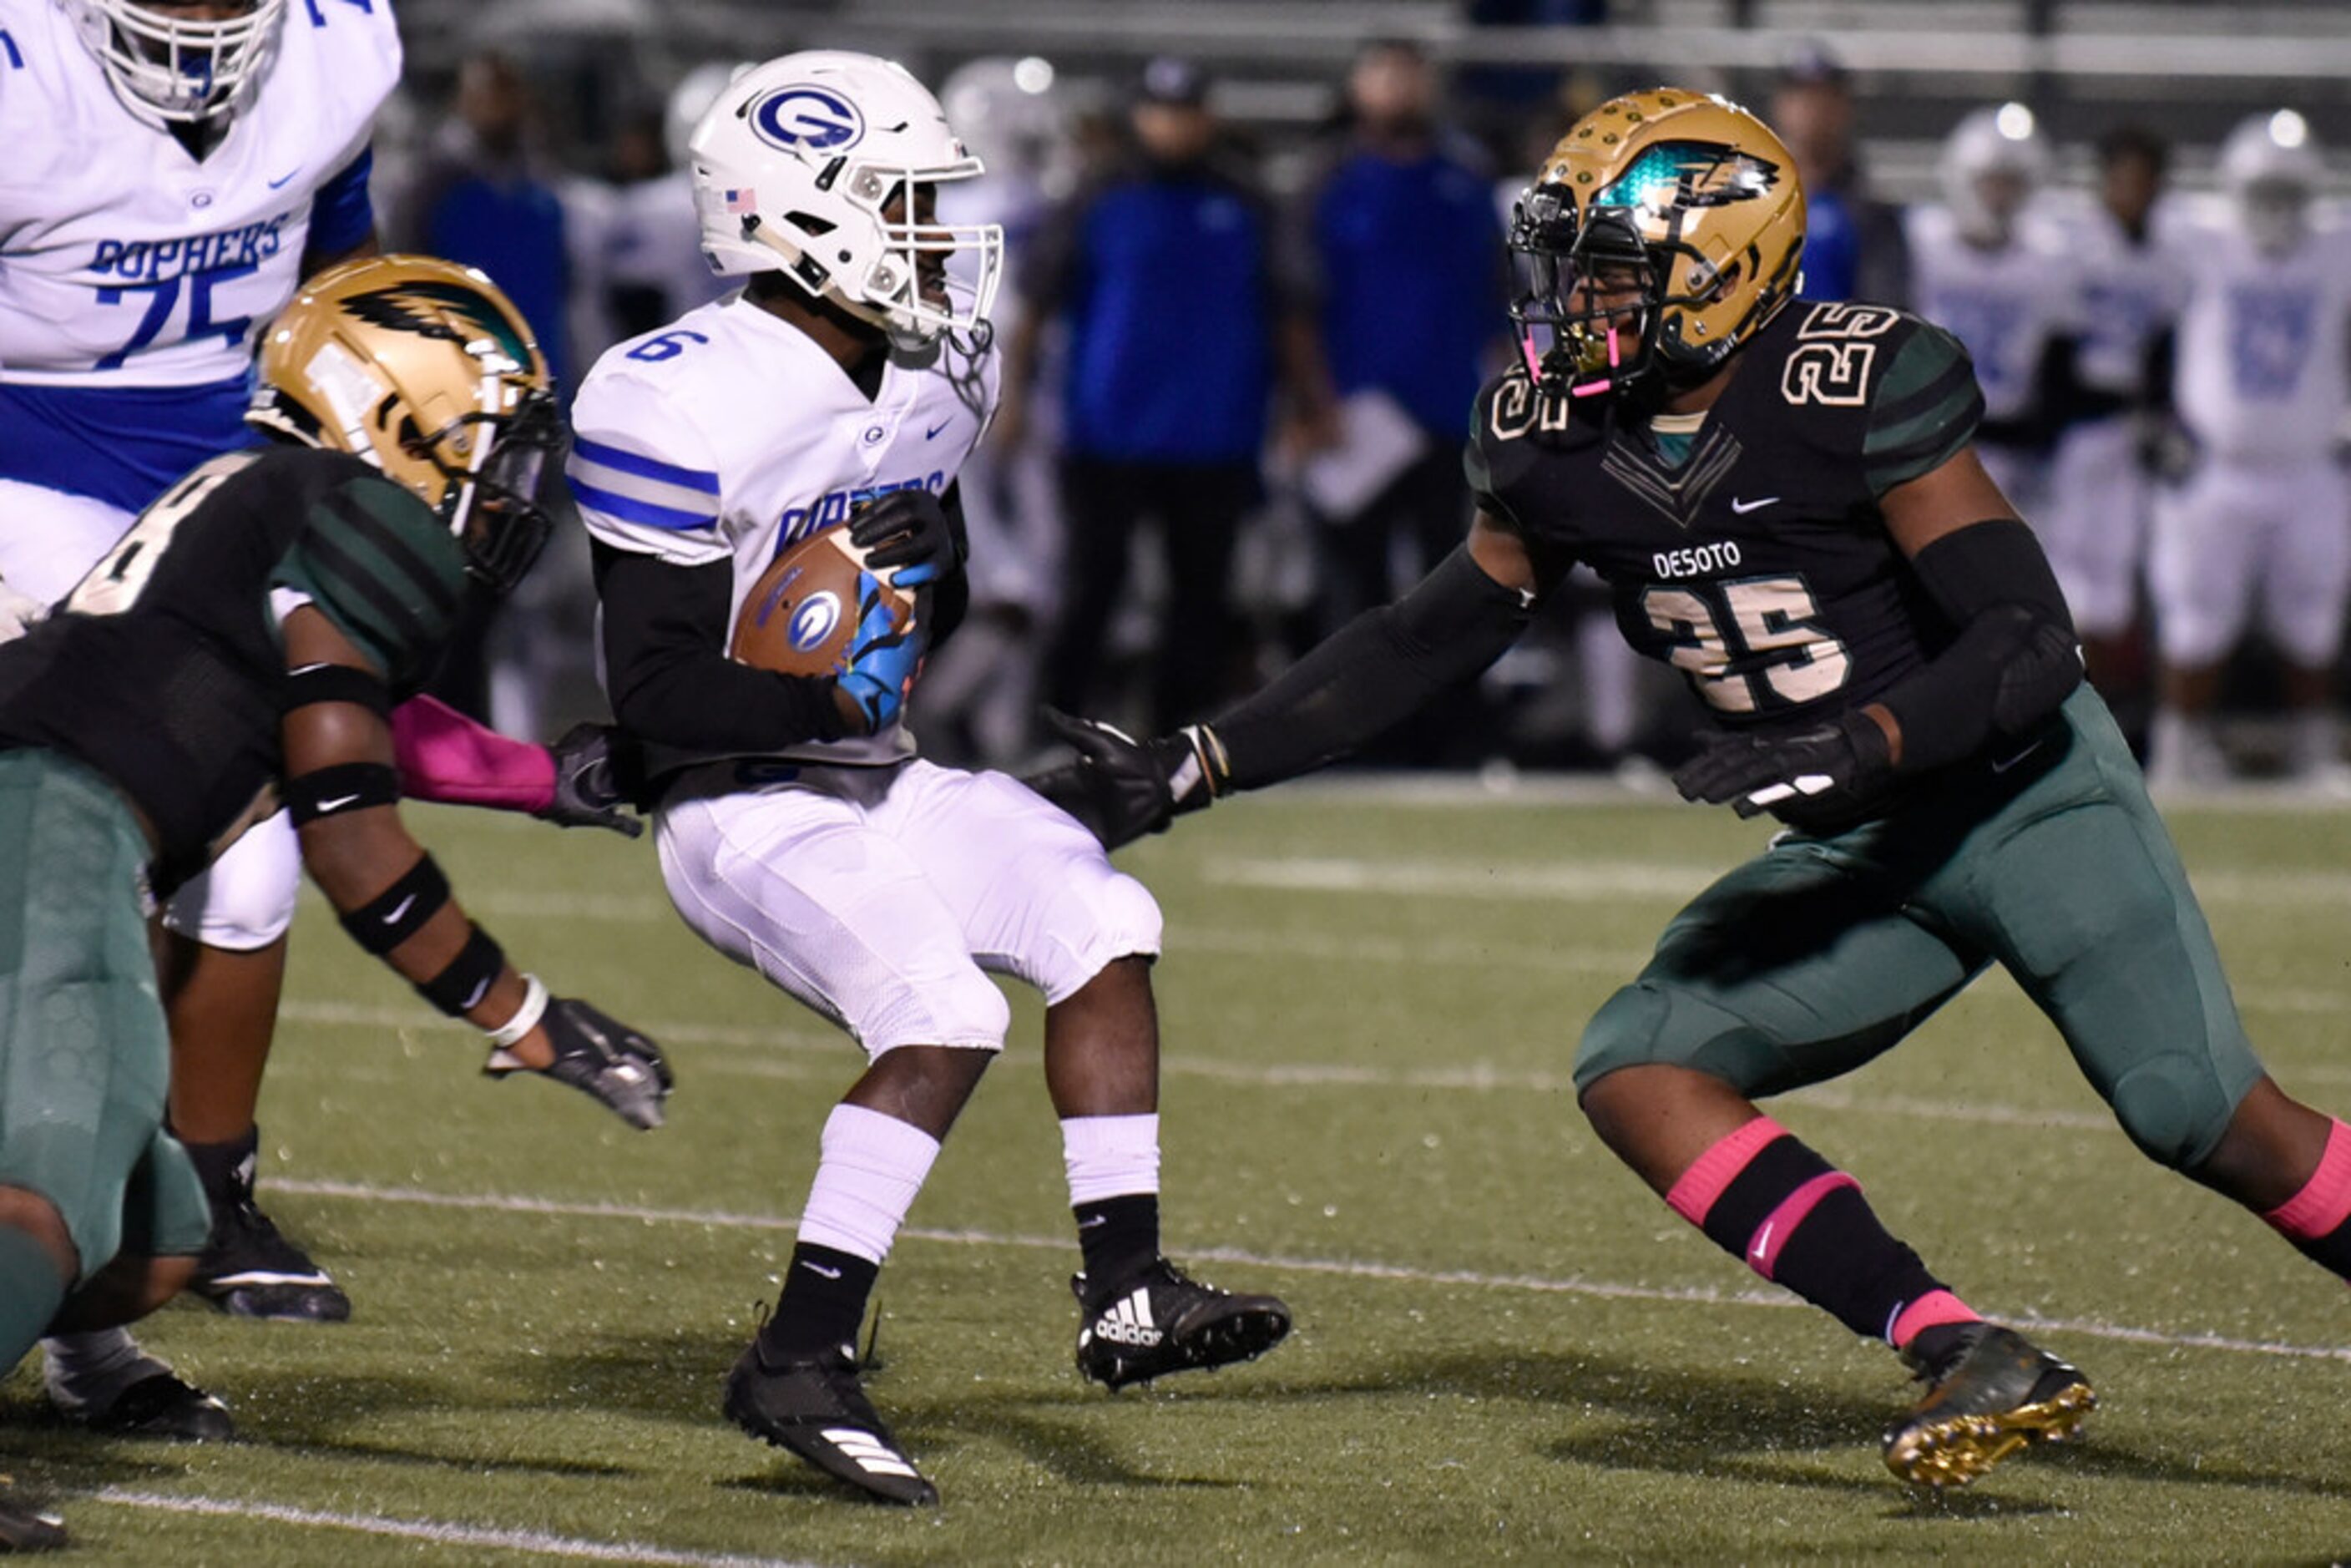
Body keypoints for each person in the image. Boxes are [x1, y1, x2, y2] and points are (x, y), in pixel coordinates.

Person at [1030, 89, 2351, 1490]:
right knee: (1641, 1065)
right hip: (1860, 848)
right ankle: (1958, 1342)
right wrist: (1203, 757)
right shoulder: (1550, 435)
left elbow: (2030, 640)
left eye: (1606, 270)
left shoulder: (1850, 382)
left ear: (1724, 265)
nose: (1571, 303)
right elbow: (1426, 635)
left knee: (2204, 1119)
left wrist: (1868, 741)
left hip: (2020, 797)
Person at [571, 51, 1291, 1508]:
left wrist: (909, 594)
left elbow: (929, 589)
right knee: (947, 1006)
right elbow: (651, 691)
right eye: (901, 203)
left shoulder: (935, 365)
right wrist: (827, 677)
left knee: (1103, 921)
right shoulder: (677, 397)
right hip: (737, 800)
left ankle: (1126, 1286)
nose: (933, 233)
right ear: (802, 219)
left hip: (874, 768)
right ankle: (799, 1352)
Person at [0, 0, 636, 1434]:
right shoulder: (21, 74)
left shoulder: (341, 50)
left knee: (243, 862)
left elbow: (340, 266)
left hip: (232, 467)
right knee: (135, 865)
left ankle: (191, 1214)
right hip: (19, 471)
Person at [998, 55, 1328, 736]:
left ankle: (1180, 734)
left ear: (1208, 117)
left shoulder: (1247, 201)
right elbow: (1036, 305)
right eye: (1160, 111)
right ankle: (1053, 723)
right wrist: (1016, 396)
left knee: (1200, 595)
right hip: (1106, 428)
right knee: (1092, 586)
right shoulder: (1095, 195)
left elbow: (1287, 311)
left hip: (1215, 430)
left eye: (1186, 111)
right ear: (1139, 115)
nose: (1173, 126)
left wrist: (1306, 404)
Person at [2146, 111, 2351, 791]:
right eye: (2264, 193)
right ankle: (2177, 748)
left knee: (2313, 614)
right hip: (2217, 467)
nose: (2275, 210)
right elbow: (2137, 318)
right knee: (2196, 616)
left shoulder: (2334, 249)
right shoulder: (2197, 241)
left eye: (2289, 195)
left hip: (2308, 466)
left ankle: (2312, 748)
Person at [2047, 125, 2183, 702]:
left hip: (2127, 433)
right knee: (2067, 577)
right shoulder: (2074, 245)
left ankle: (2104, 709)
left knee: (2114, 584)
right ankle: (2065, 706)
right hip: (2072, 433)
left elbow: (2161, 349)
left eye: (2142, 179)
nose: (2132, 190)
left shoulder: (2166, 255)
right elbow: (2054, 350)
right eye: (2122, 177)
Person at [1767, 41, 1909, 309]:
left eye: (1825, 98)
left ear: (1844, 108)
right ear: (1780, 105)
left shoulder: (1870, 214)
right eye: (1801, 97)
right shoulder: (1748, 203)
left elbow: (1885, 307)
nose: (1813, 110)